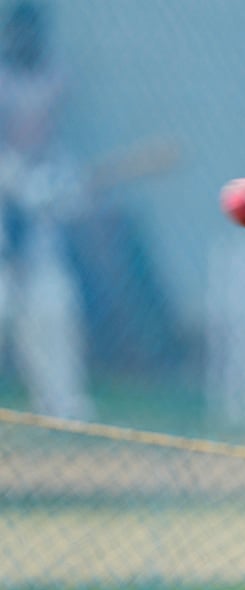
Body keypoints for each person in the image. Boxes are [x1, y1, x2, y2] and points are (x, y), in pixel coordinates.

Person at [0, 0, 94, 420]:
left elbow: (55, 139)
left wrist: (60, 180)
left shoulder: (56, 77)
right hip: (6, 199)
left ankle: (60, 402)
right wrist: (17, 180)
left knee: (53, 302)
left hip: (40, 211)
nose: (26, 41)